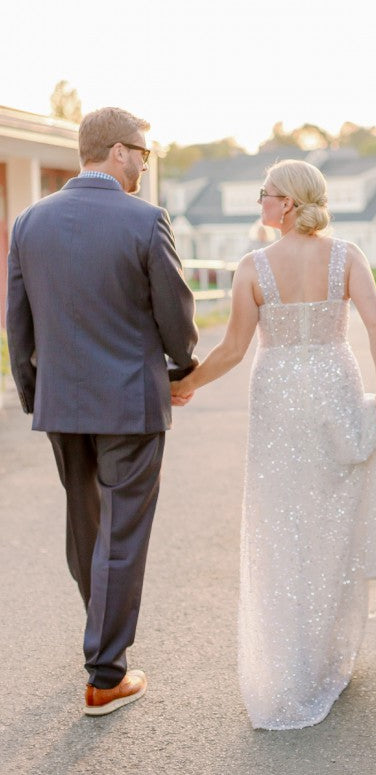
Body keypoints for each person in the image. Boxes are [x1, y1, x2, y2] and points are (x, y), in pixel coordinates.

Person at [172, 158, 376, 729]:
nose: (259, 202)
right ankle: (327, 656)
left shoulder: (253, 267)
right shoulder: (348, 256)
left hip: (279, 397)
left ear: (291, 203)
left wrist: (188, 384)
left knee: (284, 526)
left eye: (265, 194)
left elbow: (231, 350)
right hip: (334, 387)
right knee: (332, 523)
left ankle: (294, 663)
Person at [6, 106, 198, 716]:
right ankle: (106, 673)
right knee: (119, 531)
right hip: (129, 402)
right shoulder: (145, 220)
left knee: (85, 526)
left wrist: (34, 393)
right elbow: (176, 315)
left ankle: (101, 640)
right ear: (117, 151)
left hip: (62, 402)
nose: (145, 161)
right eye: (142, 150)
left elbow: (17, 322)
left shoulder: (27, 222)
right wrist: (181, 366)